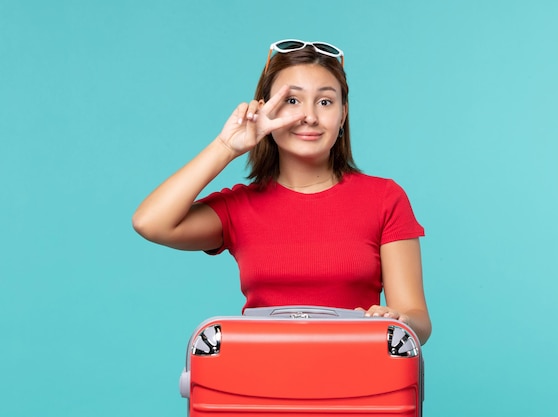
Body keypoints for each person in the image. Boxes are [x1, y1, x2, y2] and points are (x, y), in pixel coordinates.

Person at [132, 39, 432, 344]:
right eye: (292, 101)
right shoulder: (239, 207)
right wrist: (225, 147)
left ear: (343, 114)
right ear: (263, 110)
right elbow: (150, 222)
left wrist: (399, 320)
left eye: (325, 102)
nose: (309, 117)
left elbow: (417, 318)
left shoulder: (384, 198)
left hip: (360, 380)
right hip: (259, 382)